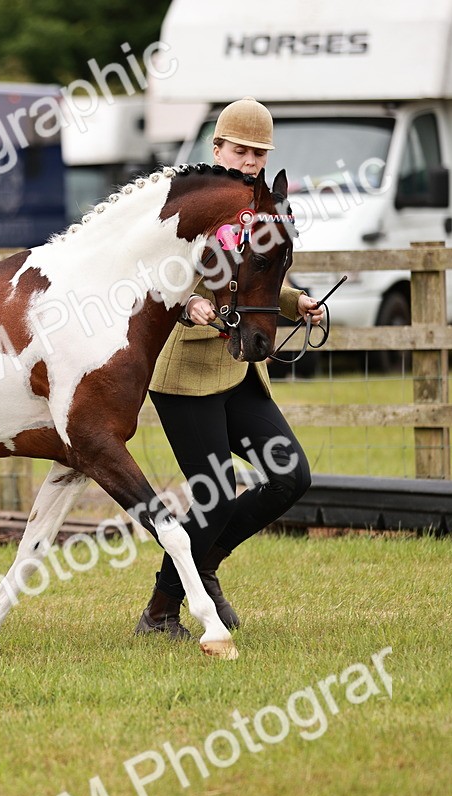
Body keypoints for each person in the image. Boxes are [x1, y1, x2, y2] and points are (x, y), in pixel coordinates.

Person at [135, 97, 324, 639]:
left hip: (241, 370)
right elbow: (157, 273)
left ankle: (206, 566)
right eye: (240, 150)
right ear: (215, 148)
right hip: (185, 373)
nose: (249, 162)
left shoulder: (260, 208)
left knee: (291, 476)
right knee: (214, 492)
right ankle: (160, 610)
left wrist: (296, 303)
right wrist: (188, 303)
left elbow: (258, 280)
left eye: (259, 154)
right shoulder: (189, 203)